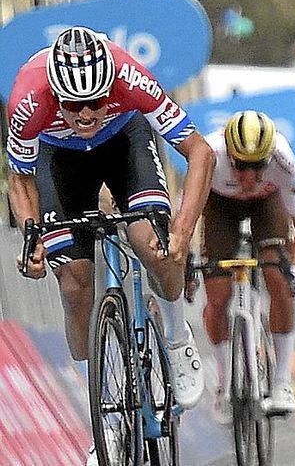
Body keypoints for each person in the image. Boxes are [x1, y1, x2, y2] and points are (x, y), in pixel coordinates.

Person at [7, 26, 213, 463]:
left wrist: (182, 227)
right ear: (54, 95)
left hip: (125, 144)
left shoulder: (131, 77)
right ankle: (105, 423)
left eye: (94, 102)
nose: (84, 115)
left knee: (156, 247)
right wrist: (31, 235)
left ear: (111, 86)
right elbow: (21, 178)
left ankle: (176, 337)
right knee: (74, 284)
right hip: (58, 160)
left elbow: (201, 153)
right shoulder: (28, 97)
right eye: (73, 106)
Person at [199, 110, 295, 423]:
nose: (248, 176)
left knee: (277, 276)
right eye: (240, 166)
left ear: (269, 157)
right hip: (220, 206)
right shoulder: (210, 154)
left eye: (257, 166)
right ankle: (223, 381)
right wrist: (188, 263)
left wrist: (294, 266)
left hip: (267, 204)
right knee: (217, 296)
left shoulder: (283, 158)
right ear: (228, 155)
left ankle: (283, 382)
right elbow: (186, 212)